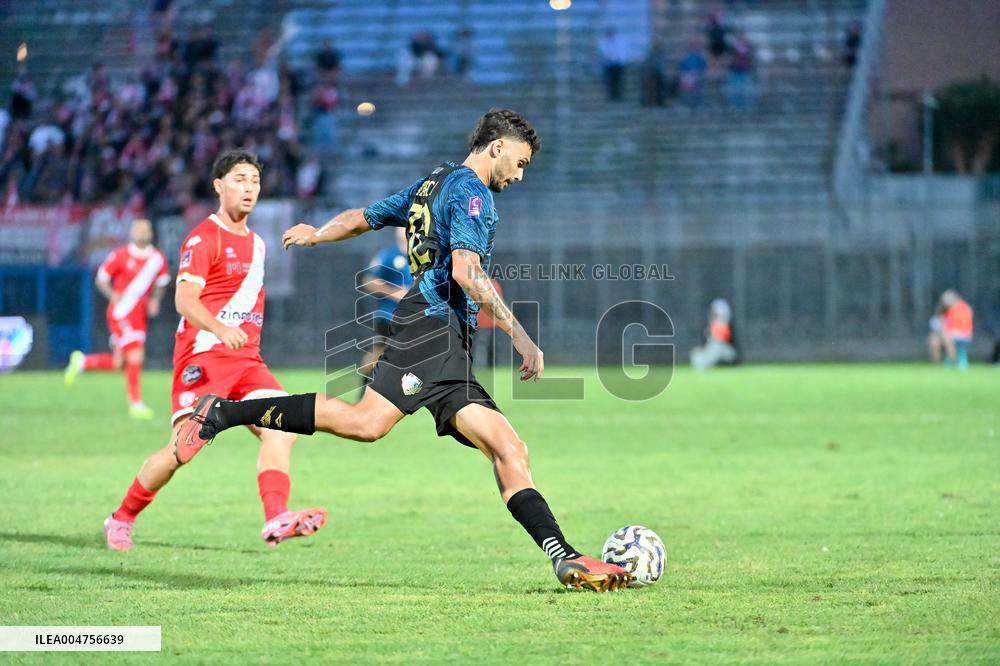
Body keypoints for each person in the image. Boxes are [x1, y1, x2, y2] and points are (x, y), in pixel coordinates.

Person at [173, 110, 632, 592]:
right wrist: (521, 336)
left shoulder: (432, 183)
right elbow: (466, 272)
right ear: (497, 146)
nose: (519, 175)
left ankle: (565, 558)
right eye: (519, 163)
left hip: (444, 339)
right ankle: (222, 413)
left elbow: (361, 218)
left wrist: (317, 233)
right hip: (432, 328)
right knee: (368, 423)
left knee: (504, 447)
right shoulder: (472, 193)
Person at [100, 149, 327, 552]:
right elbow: (184, 300)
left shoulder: (258, 243)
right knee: (182, 449)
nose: (249, 188)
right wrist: (221, 328)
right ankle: (121, 518)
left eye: (255, 181)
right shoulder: (204, 237)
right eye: (239, 179)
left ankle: (276, 517)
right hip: (203, 356)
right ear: (218, 186)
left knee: (283, 429)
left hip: (247, 363)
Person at [65, 218, 170, 419]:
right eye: (137, 229)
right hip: (121, 312)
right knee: (136, 355)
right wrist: (112, 294)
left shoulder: (158, 259)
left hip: (139, 315)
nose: (141, 232)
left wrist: (155, 300)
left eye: (145, 229)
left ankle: (82, 362)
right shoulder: (120, 255)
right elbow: (102, 278)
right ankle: (136, 403)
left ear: (150, 233)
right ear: (132, 233)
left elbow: (162, 282)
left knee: (119, 363)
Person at [357, 226, 412, 388]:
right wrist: (395, 292)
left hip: (415, 316)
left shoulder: (421, 255)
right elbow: (368, 281)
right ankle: (364, 388)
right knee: (378, 353)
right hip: (389, 315)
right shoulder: (389, 255)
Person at [691, 299, 739, 369]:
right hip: (710, 355)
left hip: (727, 354)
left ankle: (707, 364)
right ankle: (705, 364)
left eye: (716, 315)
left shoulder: (726, 327)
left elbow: (721, 340)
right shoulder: (709, 327)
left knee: (716, 345)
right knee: (696, 352)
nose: (713, 316)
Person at [940, 289, 973, 370]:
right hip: (960, 334)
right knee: (938, 339)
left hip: (962, 334)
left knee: (945, 337)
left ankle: (952, 360)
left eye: (946, 298)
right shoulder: (951, 309)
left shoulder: (959, 308)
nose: (944, 301)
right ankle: (948, 361)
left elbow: (956, 324)